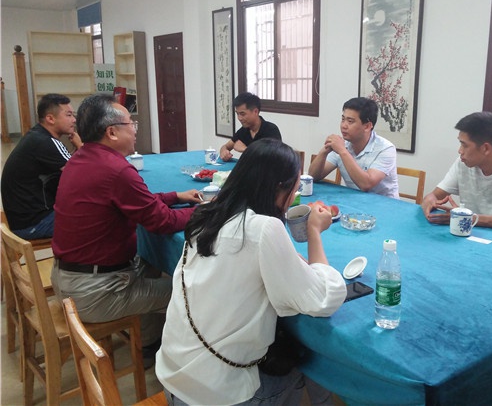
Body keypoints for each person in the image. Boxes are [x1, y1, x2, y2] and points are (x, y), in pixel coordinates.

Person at [156, 138, 346, 405]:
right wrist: (314, 231)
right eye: (293, 188)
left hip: (175, 377)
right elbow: (322, 299)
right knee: (310, 366)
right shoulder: (264, 228)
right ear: (280, 188)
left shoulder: (207, 214)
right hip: (219, 393)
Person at [50, 93, 202, 365]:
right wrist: (205, 211)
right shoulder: (116, 170)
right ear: (111, 132)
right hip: (96, 291)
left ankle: (147, 342)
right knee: (193, 294)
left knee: (151, 261)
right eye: (130, 123)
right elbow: (162, 222)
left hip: (69, 279)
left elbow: (137, 202)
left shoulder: (81, 158)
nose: (134, 129)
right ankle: (178, 357)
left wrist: (175, 196)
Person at [421, 111, 492, 231]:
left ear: (485, 148)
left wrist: (470, 218)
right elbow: (433, 196)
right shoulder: (462, 164)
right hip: (470, 236)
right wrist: (429, 202)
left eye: (464, 145)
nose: (460, 151)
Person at [1, 93, 82, 239]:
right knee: (101, 216)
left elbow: (70, 165)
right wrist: (81, 146)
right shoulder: (46, 142)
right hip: (35, 223)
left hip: (23, 219)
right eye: (69, 115)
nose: (74, 120)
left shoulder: (37, 135)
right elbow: (83, 175)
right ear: (50, 119)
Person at [308, 97, 399, 199]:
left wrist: (342, 151)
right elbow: (313, 177)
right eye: (343, 119)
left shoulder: (386, 149)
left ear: (367, 126)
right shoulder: (343, 144)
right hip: (354, 200)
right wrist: (324, 152)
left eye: (350, 121)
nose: (343, 126)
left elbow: (366, 184)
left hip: (384, 205)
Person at [219, 92, 282, 161]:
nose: (239, 118)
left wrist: (245, 149)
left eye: (242, 114)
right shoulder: (243, 130)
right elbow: (226, 146)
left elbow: (272, 158)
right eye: (237, 114)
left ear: (255, 112)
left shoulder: (271, 130)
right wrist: (224, 151)